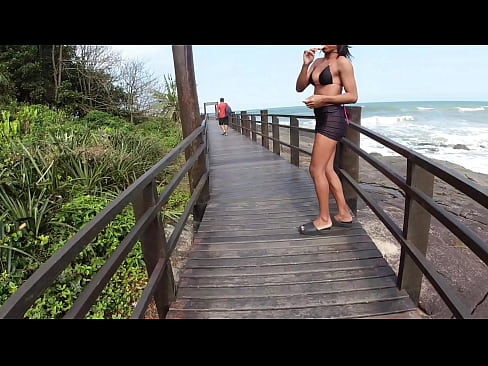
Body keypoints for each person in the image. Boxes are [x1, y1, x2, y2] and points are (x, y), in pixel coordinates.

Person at [295, 45, 358, 235]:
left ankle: (324, 219)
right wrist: (305, 65)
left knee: (315, 169)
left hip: (333, 117)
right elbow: (299, 87)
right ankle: (344, 214)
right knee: (327, 169)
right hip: (322, 118)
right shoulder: (317, 62)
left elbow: (353, 96)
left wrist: (323, 100)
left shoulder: (342, 63)